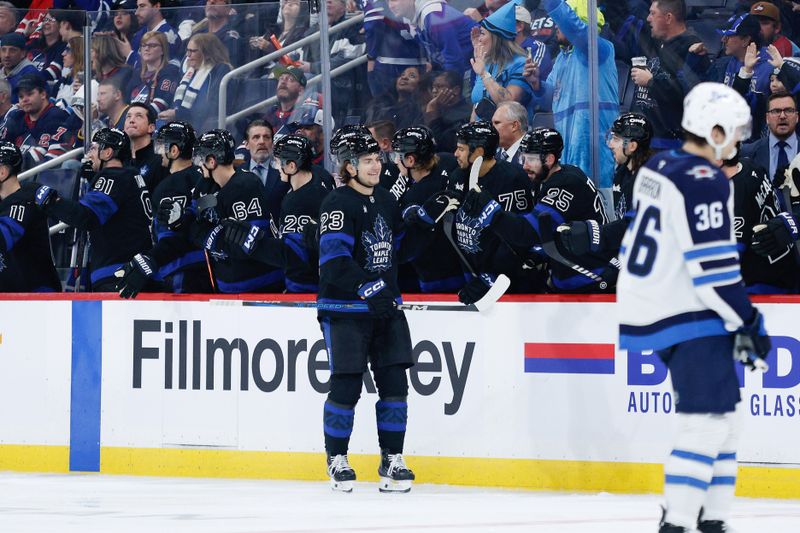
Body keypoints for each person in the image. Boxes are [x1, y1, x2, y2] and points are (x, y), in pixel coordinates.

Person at [617, 82, 771, 533]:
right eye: (736, 132)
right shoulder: (704, 179)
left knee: (725, 420)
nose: (739, 141)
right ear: (715, 128)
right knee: (705, 422)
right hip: (687, 311)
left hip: (656, 306)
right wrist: (748, 319)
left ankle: (713, 521)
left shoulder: (658, 165)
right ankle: (680, 523)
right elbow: (714, 271)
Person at [317, 131, 415, 493]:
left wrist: (424, 224)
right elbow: (334, 262)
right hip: (344, 309)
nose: (377, 165)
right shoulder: (336, 203)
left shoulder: (386, 202)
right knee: (346, 383)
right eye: (368, 160)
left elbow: (399, 251)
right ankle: (337, 458)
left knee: (395, 385)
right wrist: (367, 286)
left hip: (386, 307)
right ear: (349, 166)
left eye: (378, 159)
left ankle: (392, 458)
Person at [461, 126, 613, 293]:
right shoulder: (557, 175)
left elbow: (529, 232)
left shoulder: (565, 185)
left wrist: (490, 210)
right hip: (574, 272)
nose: (524, 166)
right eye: (522, 158)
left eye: (531, 159)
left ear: (549, 159)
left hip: (589, 278)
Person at [33, 128, 154, 292]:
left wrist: (52, 201)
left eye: (94, 149)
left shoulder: (113, 176)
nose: (89, 154)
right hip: (136, 271)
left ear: (108, 153)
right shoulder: (132, 176)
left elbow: (87, 217)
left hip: (117, 273)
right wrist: (93, 179)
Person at [175, 128, 284, 293]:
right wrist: (178, 218)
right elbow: (193, 217)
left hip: (261, 287)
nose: (198, 165)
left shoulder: (246, 185)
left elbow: (246, 245)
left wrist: (203, 232)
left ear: (212, 161)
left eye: (200, 159)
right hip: (228, 289)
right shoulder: (206, 185)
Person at [524, 0, 618, 187]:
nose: (555, 28)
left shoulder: (598, 48)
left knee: (600, 206)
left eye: (560, 22)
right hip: (567, 144)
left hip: (594, 147)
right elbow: (551, 98)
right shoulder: (561, 60)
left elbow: (575, 28)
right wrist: (536, 84)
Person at [221, 134, 329, 293]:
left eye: (278, 162)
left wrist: (252, 241)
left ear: (292, 166)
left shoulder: (297, 201)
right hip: (318, 284)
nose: (276, 167)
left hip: (304, 290)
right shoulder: (320, 180)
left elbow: (294, 254)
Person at [114, 121, 211, 297]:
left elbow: (173, 238)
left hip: (183, 270)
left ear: (174, 151)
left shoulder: (171, 184)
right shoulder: (205, 177)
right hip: (210, 268)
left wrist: (151, 258)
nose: (158, 152)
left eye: (161, 145)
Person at [441, 120, 534, 296]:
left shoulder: (512, 179)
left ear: (478, 152)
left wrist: (490, 278)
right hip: (471, 273)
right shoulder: (457, 176)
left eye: (461, 149)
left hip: (506, 282)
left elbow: (517, 238)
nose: (455, 154)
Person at [556, 112, 653, 263]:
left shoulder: (648, 181)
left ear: (632, 146)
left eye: (616, 139)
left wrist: (592, 233)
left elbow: (635, 227)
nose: (610, 144)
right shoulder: (622, 172)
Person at [393, 126, 466, 292]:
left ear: (410, 160)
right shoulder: (448, 161)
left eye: (397, 156)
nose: (396, 161)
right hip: (463, 268)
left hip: (435, 278)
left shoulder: (413, 196)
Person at [722, 145, 798, 294]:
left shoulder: (734, 198)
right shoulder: (749, 165)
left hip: (763, 289)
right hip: (787, 269)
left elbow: (727, 265)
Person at [632, 0, 706, 152]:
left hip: (671, 144)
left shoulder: (693, 49)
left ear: (668, 18)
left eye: (653, 13)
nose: (648, 18)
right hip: (646, 138)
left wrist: (651, 82)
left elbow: (687, 93)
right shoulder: (657, 43)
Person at [0, 141, 61, 292]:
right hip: (13, 297)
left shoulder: (25, 200)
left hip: (38, 297)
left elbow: (3, 238)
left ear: (2, 172)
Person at [470, 0, 534, 117]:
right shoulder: (487, 63)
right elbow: (477, 106)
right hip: (482, 133)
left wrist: (484, 74)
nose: (479, 39)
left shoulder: (520, 63)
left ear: (496, 39)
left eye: (482, 34)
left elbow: (509, 103)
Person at [0, 74, 76, 169]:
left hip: (40, 178)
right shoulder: (16, 117)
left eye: (30, 94)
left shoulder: (57, 117)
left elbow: (49, 160)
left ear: (43, 94)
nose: (24, 99)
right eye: (21, 96)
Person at [164, 33, 232, 133]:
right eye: (187, 50)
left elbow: (211, 107)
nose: (188, 55)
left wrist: (179, 115)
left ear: (207, 53)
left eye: (193, 51)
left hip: (205, 128)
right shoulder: (189, 73)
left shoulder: (220, 70)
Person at [388, 0, 477, 74]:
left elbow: (454, 59)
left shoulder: (434, 16)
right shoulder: (414, 18)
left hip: (472, 70)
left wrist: (447, 88)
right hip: (465, 68)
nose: (390, 6)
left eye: (394, 0)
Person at [364, 0, 426, 99]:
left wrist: (371, 57)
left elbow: (373, 24)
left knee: (384, 107)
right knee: (417, 108)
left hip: (388, 64)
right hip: (419, 63)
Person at [741, 91, 800, 183]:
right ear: (767, 118)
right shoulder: (748, 153)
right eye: (776, 111)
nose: (782, 116)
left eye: (788, 110)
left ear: (797, 117)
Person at [126, 30, 181, 118]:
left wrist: (135, 118)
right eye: (144, 45)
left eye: (152, 46)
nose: (147, 48)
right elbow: (126, 102)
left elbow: (160, 105)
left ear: (163, 50)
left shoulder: (170, 71)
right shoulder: (137, 73)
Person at [244, 119, 286, 223]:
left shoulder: (285, 172)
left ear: (272, 143)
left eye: (266, 137)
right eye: (256, 137)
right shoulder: (236, 173)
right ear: (247, 144)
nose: (262, 142)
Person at [364, 65, 427, 131]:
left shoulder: (418, 111)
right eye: (402, 74)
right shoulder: (379, 104)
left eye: (412, 76)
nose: (404, 77)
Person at [424, 70, 472, 154]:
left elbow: (442, 144)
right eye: (433, 87)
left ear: (456, 90)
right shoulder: (438, 108)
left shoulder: (465, 114)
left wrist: (432, 111)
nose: (434, 91)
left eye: (439, 86)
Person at [125, 0, 181, 67]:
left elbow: (157, 69)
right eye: (137, 7)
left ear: (156, 6)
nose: (136, 13)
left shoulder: (169, 36)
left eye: (142, 6)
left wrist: (129, 54)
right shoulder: (139, 34)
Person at [191, 0, 244, 67]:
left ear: (228, 8)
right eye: (208, 0)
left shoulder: (230, 38)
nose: (212, 1)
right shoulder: (197, 33)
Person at [125, 102, 163, 192]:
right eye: (128, 116)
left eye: (138, 116)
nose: (131, 120)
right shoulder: (119, 156)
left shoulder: (161, 158)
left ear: (151, 127)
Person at [263, 65, 306, 131]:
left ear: (300, 90)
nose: (283, 82)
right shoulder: (271, 112)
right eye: (281, 78)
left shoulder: (304, 116)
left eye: (290, 79)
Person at [0, 32, 39, 103]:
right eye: (3, 50)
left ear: (23, 53)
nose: (7, 55)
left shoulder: (31, 74)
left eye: (12, 50)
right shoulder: (1, 72)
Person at [492, 101, 528, 166]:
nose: (492, 128)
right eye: (492, 123)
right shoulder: (492, 155)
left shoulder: (532, 153)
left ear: (514, 126)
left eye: (497, 123)